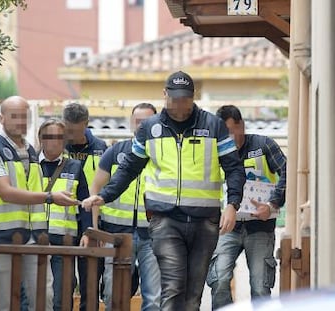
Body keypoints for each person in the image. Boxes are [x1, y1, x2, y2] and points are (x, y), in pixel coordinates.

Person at [82, 71, 246, 310]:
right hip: (165, 219)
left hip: (205, 221)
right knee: (172, 287)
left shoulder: (213, 126)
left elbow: (234, 168)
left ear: (193, 96)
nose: (180, 104)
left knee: (193, 294)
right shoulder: (150, 128)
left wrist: (232, 205)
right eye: (175, 98)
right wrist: (105, 195)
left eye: (185, 99)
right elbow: (129, 168)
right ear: (165, 94)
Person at [0, 96, 77, 311]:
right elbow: (6, 192)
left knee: (44, 299)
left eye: (24, 116)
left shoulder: (30, 151)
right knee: (2, 303)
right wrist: (50, 197)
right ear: (1, 118)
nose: (21, 121)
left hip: (34, 238)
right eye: (15, 116)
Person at [207, 105, 287, 310]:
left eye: (232, 131)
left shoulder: (264, 145)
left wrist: (272, 204)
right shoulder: (214, 151)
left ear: (242, 125)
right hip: (226, 229)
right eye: (223, 133)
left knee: (260, 287)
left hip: (260, 227)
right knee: (219, 280)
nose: (229, 138)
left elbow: (288, 171)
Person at [90, 103, 161, 311]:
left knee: (154, 299)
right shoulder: (115, 152)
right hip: (116, 236)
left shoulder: (163, 156)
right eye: (138, 122)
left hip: (153, 236)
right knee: (113, 295)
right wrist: (95, 229)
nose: (141, 127)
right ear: (131, 123)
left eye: (146, 122)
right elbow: (95, 188)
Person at [38, 118, 92, 310]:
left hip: (65, 241)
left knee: (63, 293)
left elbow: (85, 203)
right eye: (50, 137)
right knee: (35, 294)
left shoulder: (75, 167)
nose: (55, 141)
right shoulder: (30, 166)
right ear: (41, 139)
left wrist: (87, 232)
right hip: (35, 239)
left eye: (60, 137)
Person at [62, 102, 108, 311]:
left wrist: (95, 228)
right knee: (64, 284)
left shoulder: (101, 148)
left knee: (90, 284)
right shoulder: (56, 146)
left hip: (92, 221)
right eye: (67, 128)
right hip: (63, 221)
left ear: (86, 125)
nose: (70, 134)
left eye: (75, 129)